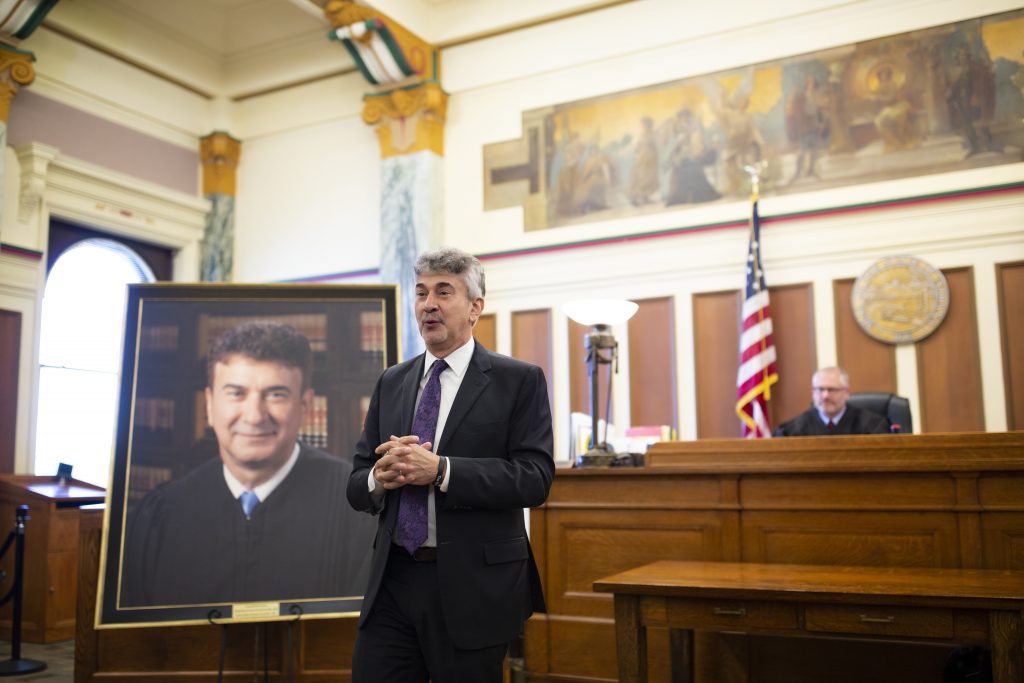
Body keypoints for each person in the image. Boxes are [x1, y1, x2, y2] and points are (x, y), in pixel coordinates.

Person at [347, 247, 554, 682]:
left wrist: (441, 471)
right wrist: (378, 479)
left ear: (476, 307)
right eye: (421, 293)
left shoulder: (518, 380)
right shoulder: (392, 380)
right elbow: (356, 482)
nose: (429, 305)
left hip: (472, 588)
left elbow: (534, 480)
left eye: (444, 292)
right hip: (393, 583)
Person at [121, 321, 375, 607]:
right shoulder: (164, 514)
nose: (254, 416)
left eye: (276, 394)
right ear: (209, 404)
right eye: (236, 393)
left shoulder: (357, 510)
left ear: (305, 406)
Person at [773, 366, 890, 437]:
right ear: (813, 392)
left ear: (846, 392)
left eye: (832, 389)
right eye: (820, 389)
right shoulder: (792, 430)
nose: (825, 395)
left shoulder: (872, 425)